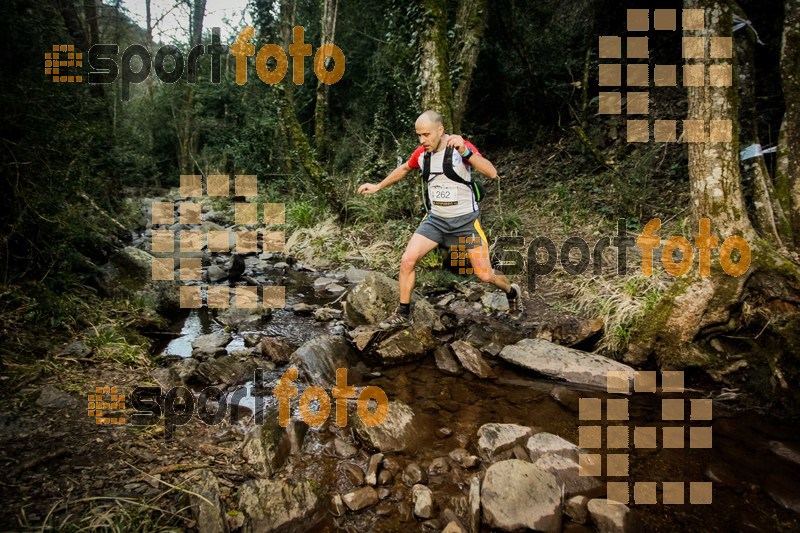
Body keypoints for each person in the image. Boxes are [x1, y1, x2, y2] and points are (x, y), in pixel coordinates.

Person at [357, 110, 521, 329]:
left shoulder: (460, 148)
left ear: (440, 130)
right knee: (407, 260)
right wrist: (378, 186)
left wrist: (465, 152)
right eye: (419, 136)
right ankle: (402, 313)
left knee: (485, 275)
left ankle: (512, 292)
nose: (422, 140)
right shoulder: (421, 153)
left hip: (465, 224)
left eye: (426, 134)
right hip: (435, 221)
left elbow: (492, 173)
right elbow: (405, 168)